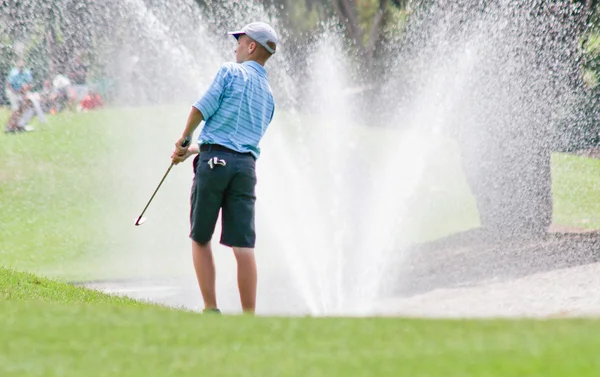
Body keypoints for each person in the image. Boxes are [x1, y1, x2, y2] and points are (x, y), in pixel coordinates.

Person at [171, 22, 278, 314]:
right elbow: (239, 142)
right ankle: (248, 316)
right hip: (245, 169)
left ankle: (210, 308)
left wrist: (184, 139)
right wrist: (192, 150)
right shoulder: (269, 97)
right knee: (243, 246)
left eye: (240, 41)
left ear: (252, 46)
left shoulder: (229, 71)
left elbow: (200, 110)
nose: (236, 47)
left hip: (214, 165)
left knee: (200, 237)